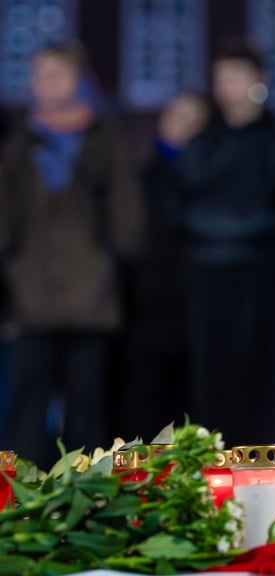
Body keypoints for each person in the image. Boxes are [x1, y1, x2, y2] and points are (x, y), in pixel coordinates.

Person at [0, 43, 142, 463]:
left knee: (88, 404)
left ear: (78, 78)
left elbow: (126, 208)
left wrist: (117, 255)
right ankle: (22, 495)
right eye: (39, 74)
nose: (46, 82)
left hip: (91, 293)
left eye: (56, 73)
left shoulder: (104, 137)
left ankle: (87, 494)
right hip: (32, 292)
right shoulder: (21, 141)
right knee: (27, 400)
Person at [177, 42, 275, 445]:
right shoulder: (203, 142)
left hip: (260, 278)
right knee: (208, 374)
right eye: (221, 78)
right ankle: (208, 461)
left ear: (258, 81)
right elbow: (177, 202)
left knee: (258, 373)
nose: (227, 87)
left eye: (235, 76)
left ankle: (259, 464)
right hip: (207, 275)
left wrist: (252, 228)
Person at [120, 93, 209, 438]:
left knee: (190, 407)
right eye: (177, 117)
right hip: (146, 309)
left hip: (197, 309)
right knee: (145, 402)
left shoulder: (211, 184)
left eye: (194, 119)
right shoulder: (139, 180)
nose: (184, 127)